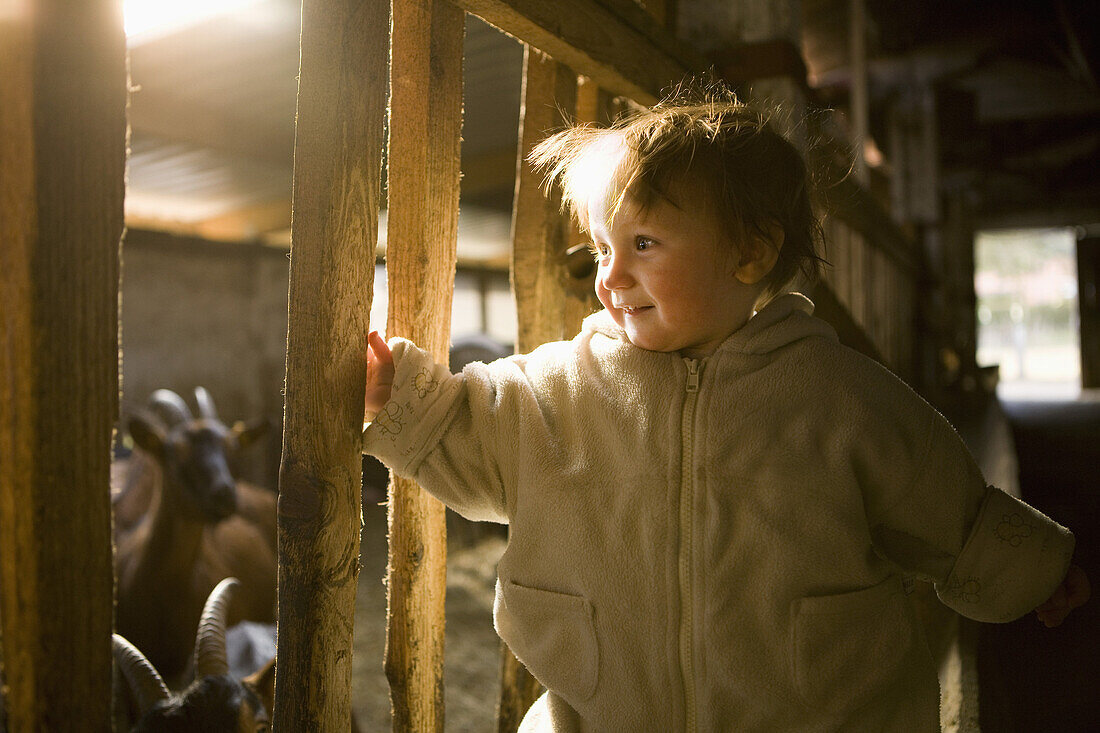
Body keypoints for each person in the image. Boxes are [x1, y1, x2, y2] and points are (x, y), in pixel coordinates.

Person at [361, 86, 1089, 731]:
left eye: (644, 243)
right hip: (604, 709)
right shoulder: (559, 387)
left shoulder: (838, 395)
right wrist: (400, 398)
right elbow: (466, 427)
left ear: (750, 253)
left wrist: (1033, 568)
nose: (610, 276)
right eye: (603, 247)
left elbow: (945, 504)